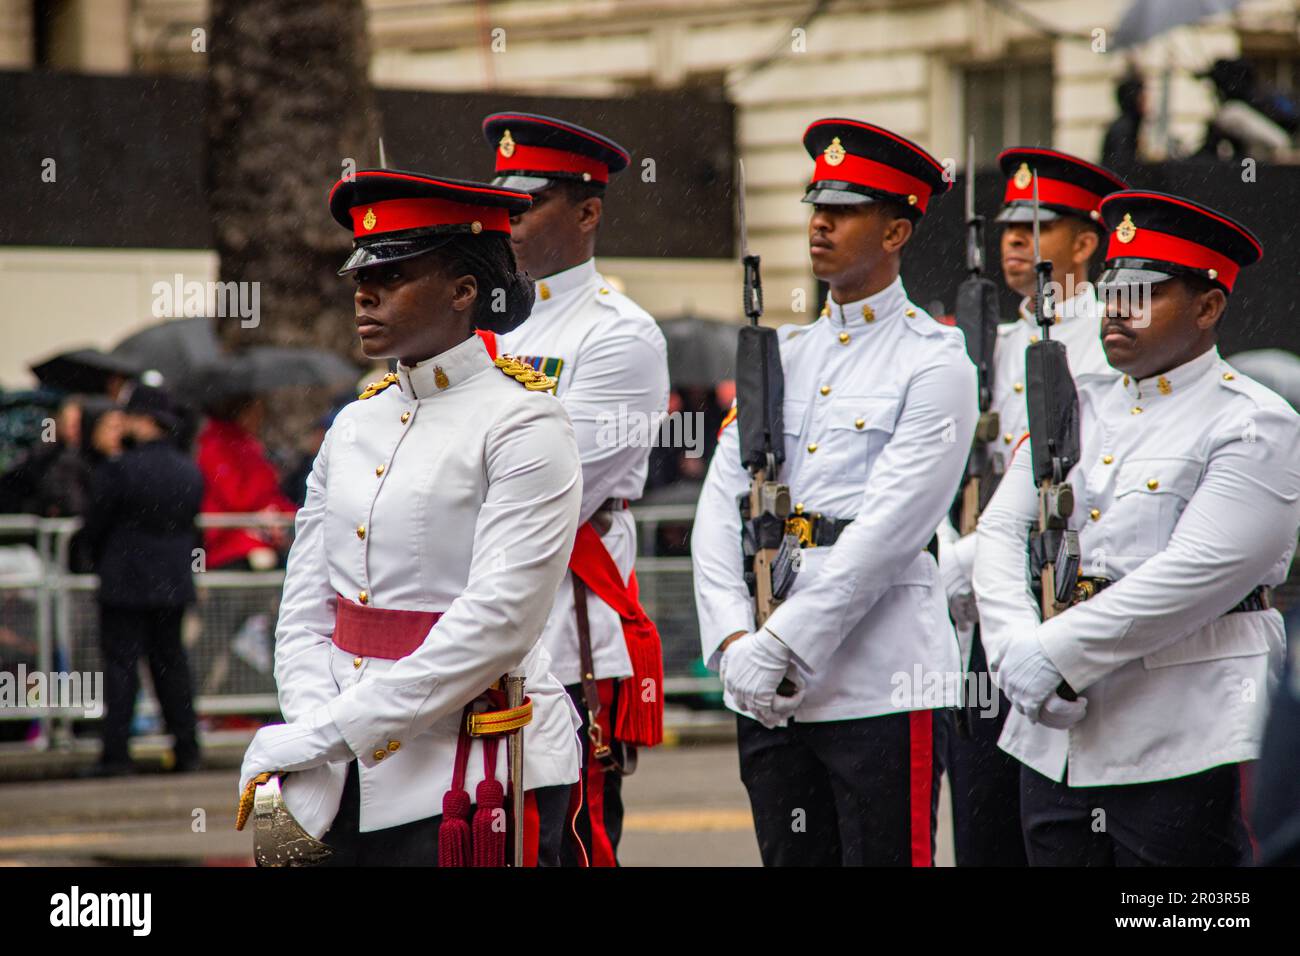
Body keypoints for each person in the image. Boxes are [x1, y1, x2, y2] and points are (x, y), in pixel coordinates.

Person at [237, 168, 584, 866]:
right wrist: (315, 731)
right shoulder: (354, 423)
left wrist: (326, 733)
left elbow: (499, 622)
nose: (364, 292)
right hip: (336, 773)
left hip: (470, 770)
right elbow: (308, 609)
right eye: (362, 275)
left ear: (462, 291)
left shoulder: (523, 422)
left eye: (393, 275)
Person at [973, 190, 1300, 865]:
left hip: (1183, 744)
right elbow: (1002, 535)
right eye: (1114, 289)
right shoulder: (1077, 407)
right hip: (1056, 748)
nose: (1118, 310)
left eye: (1145, 293)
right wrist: (1013, 651)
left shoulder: (1253, 422)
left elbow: (1196, 575)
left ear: (1208, 307)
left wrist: (1054, 655)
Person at [692, 118, 976, 866]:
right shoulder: (779, 356)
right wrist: (731, 644)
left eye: (844, 210)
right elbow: (720, 512)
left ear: (896, 231)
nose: (820, 223)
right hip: (765, 685)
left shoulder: (935, 362)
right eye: (817, 205)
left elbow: (889, 532)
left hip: (881, 685)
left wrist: (784, 645)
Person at [479, 111, 670, 866]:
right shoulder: (477, 327)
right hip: (476, 637)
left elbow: (552, 495)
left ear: (588, 212)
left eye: (527, 203)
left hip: (565, 640)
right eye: (502, 200)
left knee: (566, 846)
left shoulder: (616, 335)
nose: (508, 219)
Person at [938, 148, 1126, 866]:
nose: (1017, 240)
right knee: (983, 820)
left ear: (1085, 243)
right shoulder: (989, 336)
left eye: (1040, 226)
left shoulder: (1108, 338)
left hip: (1060, 599)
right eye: (1011, 226)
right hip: (986, 610)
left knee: (1055, 825)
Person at [81, 384, 204, 776]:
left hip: (125, 581)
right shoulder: (188, 469)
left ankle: (116, 754)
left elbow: (95, 525)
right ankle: (187, 748)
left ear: (144, 420)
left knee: (121, 668)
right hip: (172, 581)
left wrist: (97, 560)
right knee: (172, 666)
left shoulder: (119, 469)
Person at [196, 394, 298, 570]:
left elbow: (269, 495)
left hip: (253, 538)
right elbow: (237, 497)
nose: (260, 419)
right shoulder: (215, 446)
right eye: (256, 412)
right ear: (242, 413)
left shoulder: (245, 445)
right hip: (229, 543)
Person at [1101, 73, 1145, 176]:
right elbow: (1123, 167)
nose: (1147, 103)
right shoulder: (1125, 128)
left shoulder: (1128, 124)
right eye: (1142, 98)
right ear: (1134, 100)